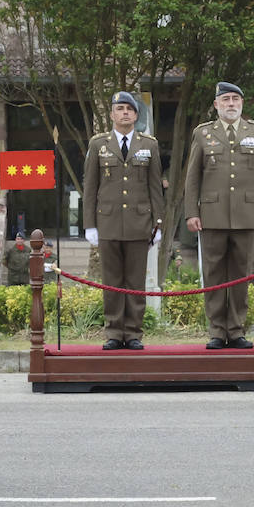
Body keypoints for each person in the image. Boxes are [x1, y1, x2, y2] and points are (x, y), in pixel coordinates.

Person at [183, 81, 254, 349]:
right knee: (213, 275)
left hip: (247, 216)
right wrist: (191, 212)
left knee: (241, 275)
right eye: (226, 100)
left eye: (236, 99)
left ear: (242, 103)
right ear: (216, 105)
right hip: (211, 215)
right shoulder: (203, 134)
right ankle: (216, 331)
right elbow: (192, 178)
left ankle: (236, 330)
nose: (231, 104)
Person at [82, 90, 164, 351]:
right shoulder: (98, 145)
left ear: (136, 115)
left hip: (140, 223)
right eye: (120, 108)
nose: (125, 113)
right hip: (108, 223)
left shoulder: (149, 145)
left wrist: (158, 223)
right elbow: (90, 187)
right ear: (112, 114)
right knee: (112, 281)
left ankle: (133, 333)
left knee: (135, 281)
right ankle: (114, 332)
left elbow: (155, 187)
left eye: (130, 109)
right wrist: (90, 224)